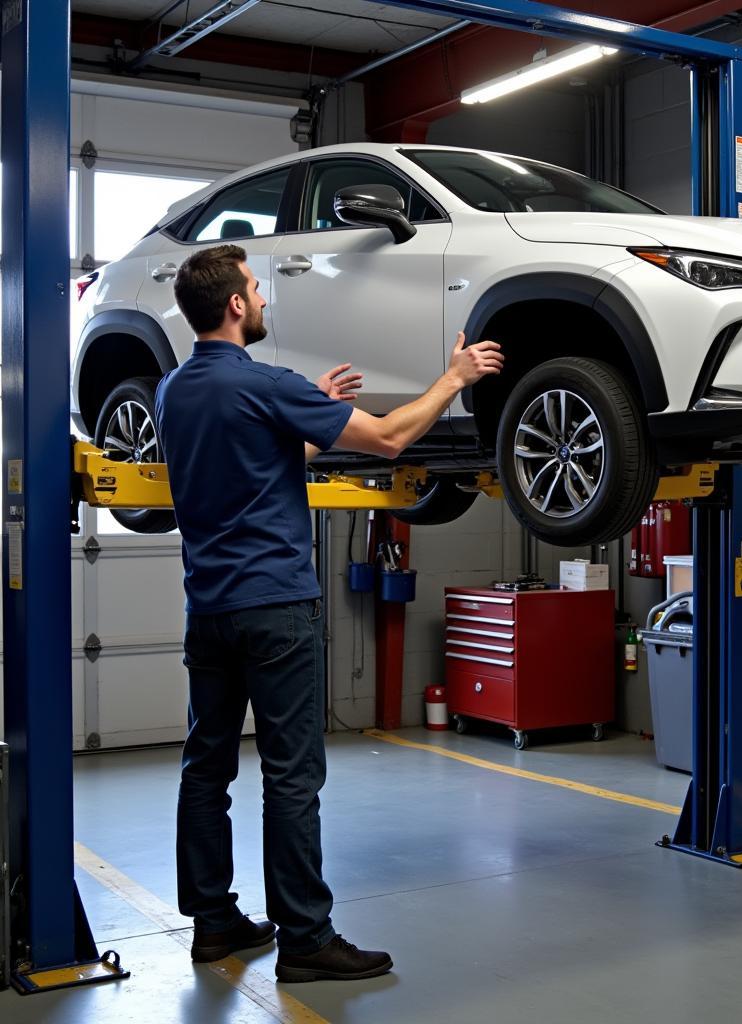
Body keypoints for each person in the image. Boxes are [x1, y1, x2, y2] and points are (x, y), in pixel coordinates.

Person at [154, 243, 503, 982]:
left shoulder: (173, 392)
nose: (265, 298)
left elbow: (258, 454)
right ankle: (306, 939)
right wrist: (453, 377)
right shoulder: (261, 384)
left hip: (208, 609)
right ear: (237, 307)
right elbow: (386, 438)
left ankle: (213, 924)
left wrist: (304, 404)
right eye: (257, 288)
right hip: (276, 606)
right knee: (291, 776)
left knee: (205, 766)